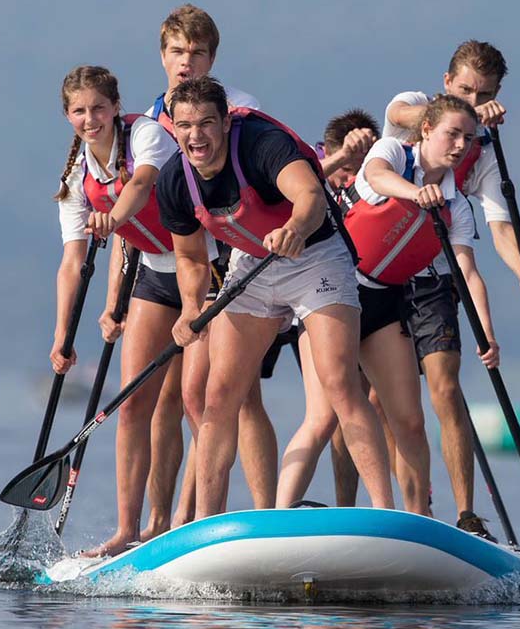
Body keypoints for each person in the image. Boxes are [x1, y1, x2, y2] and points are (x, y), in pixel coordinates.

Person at [155, 76, 395, 518]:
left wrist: (295, 229)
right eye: (185, 125)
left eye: (207, 123)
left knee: (340, 383)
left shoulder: (263, 143)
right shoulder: (173, 180)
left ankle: (385, 513)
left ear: (226, 122)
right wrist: (191, 309)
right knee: (219, 395)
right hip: (251, 264)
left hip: (315, 255)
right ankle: (209, 528)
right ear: (173, 126)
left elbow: (310, 197)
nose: (196, 135)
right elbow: (190, 258)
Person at [127, 4, 280, 533]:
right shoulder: (149, 120)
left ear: (212, 58)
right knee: (176, 397)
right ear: (162, 56)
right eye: (177, 52)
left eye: (197, 52)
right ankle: (164, 523)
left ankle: (264, 514)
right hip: (170, 262)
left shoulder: (238, 108)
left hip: (229, 262)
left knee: (234, 394)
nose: (186, 61)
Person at [51, 65, 212, 557]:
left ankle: (196, 521)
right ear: (68, 116)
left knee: (196, 402)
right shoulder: (77, 179)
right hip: (153, 275)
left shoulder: (145, 134)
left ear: (116, 107)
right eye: (79, 111)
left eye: (99, 108)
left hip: (206, 266)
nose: (90, 119)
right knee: (131, 407)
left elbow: (143, 184)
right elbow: (72, 263)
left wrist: (113, 218)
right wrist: (62, 337)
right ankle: (127, 532)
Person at [356, 93, 504, 539]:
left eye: (467, 138)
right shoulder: (393, 151)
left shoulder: (457, 205)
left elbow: (467, 270)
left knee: (427, 402)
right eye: (451, 135)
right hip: (356, 288)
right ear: (426, 130)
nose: (459, 145)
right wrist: (415, 192)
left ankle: (443, 517)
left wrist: (488, 336)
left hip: (422, 289)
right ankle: (341, 508)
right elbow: (375, 176)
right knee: (344, 407)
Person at [274, 108, 433, 515]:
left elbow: (404, 117)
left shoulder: (383, 174)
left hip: (378, 302)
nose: (351, 180)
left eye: (358, 168)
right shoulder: (306, 175)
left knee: (396, 415)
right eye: (347, 170)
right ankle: (285, 515)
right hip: (321, 303)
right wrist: (340, 158)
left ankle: (410, 518)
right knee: (325, 416)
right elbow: (297, 193)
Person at [382, 41, 520, 304]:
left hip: (428, 270)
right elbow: (397, 115)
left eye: (484, 95)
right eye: (465, 90)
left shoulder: (485, 154)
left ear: (497, 93)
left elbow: (501, 228)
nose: (473, 102)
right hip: (374, 247)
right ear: (447, 81)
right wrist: (463, 116)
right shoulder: (415, 102)